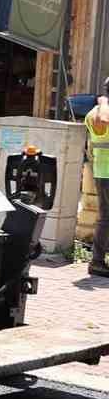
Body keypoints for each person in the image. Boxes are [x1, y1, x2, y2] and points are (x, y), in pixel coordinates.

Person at [86, 78, 109, 277]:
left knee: (105, 217)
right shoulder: (101, 112)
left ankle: (99, 260)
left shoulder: (97, 111)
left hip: (102, 171)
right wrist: (104, 101)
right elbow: (102, 122)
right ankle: (97, 262)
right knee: (105, 218)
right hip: (106, 172)